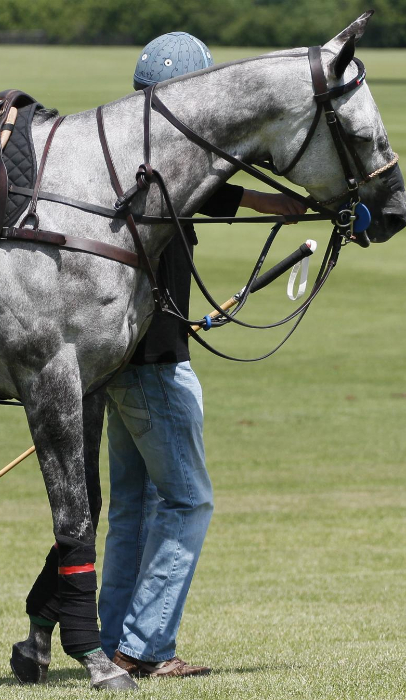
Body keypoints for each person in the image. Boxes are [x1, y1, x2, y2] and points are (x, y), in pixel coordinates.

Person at [100, 31, 307, 679]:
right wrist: (298, 201)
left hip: (119, 362)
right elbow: (222, 185)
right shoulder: (179, 167)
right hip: (158, 367)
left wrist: (280, 205)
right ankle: (142, 648)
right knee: (189, 502)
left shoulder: (129, 162)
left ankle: (116, 643)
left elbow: (226, 196)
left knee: (135, 505)